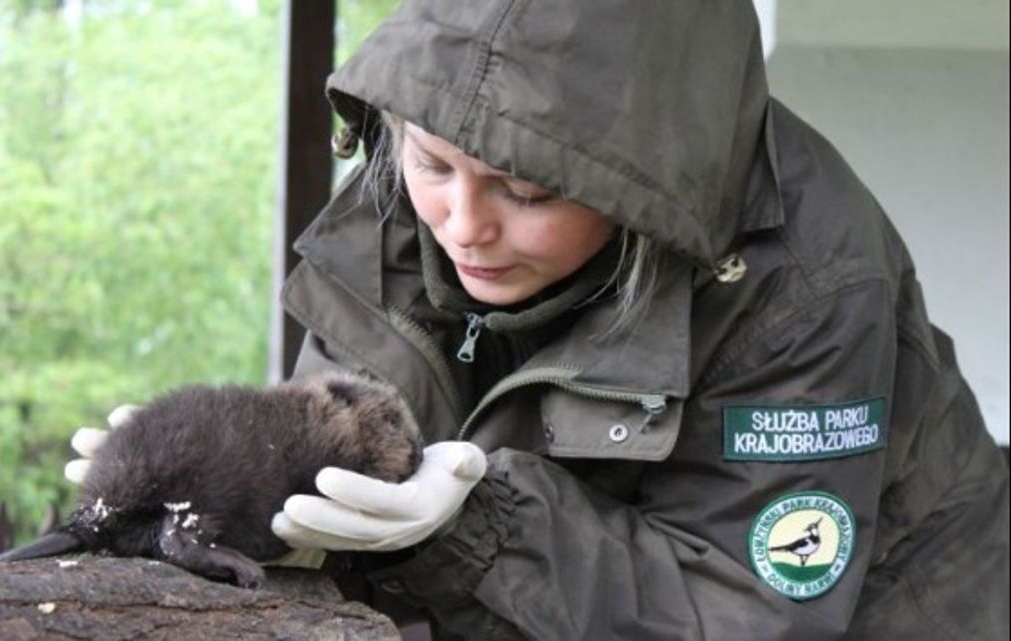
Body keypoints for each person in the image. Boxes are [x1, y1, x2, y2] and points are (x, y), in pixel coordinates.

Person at [70, 2, 1010, 639]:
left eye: (525, 189)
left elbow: (747, 609)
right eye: (433, 163)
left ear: (640, 187)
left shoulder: (809, 281)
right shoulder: (406, 200)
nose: (463, 225)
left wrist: (473, 526)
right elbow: (339, 451)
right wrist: (216, 497)